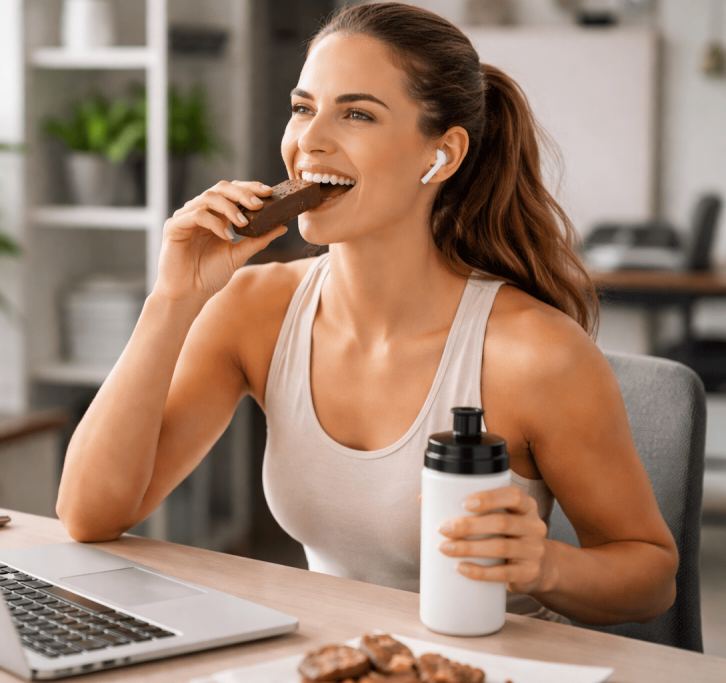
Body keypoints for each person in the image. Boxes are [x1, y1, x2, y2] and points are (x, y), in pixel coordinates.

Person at [56, 2, 678, 625]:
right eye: (303, 107)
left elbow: (650, 577)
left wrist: (547, 566)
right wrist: (173, 299)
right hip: (333, 657)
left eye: (356, 113)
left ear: (442, 155)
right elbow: (91, 514)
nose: (309, 141)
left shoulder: (536, 354)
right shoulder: (254, 311)